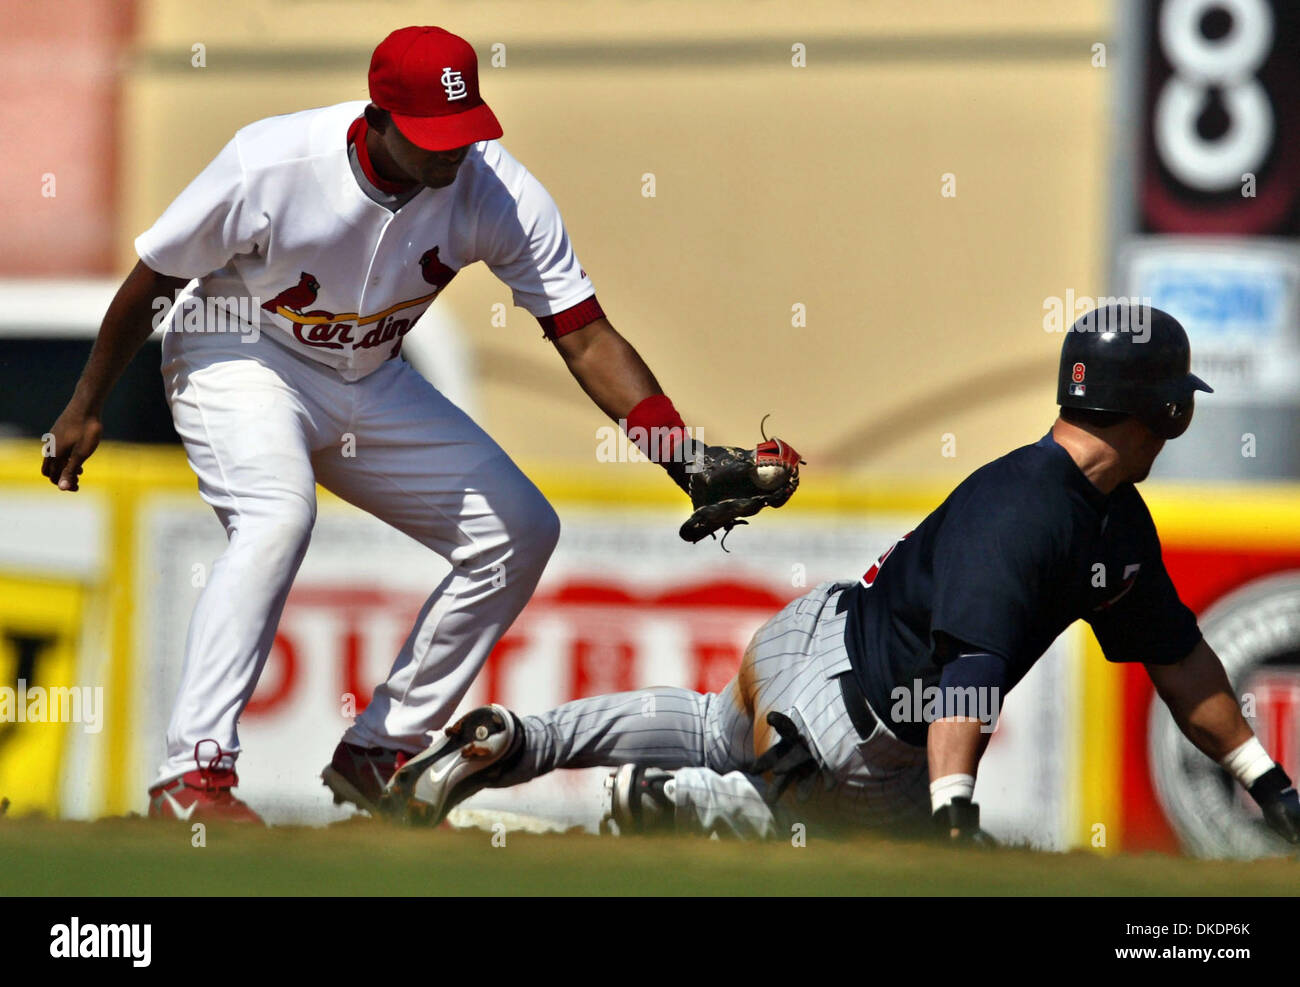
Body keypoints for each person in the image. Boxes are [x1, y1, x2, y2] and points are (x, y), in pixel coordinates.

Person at [41, 26, 710, 822]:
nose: (451, 154)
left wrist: (683, 455)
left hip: (368, 373)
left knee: (520, 528)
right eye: (432, 138)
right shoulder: (274, 162)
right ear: (378, 116)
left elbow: (586, 335)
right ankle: (192, 776)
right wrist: (88, 402)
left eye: (465, 133)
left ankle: (380, 747)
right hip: (237, 351)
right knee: (277, 513)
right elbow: (158, 275)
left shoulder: (494, 188)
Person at [385, 304, 1300, 846]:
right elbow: (968, 678)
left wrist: (1272, 786)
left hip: (816, 641)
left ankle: (522, 739)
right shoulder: (1028, 509)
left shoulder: (1101, 515)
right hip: (855, 727)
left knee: (714, 721)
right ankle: (676, 801)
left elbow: (1182, 661)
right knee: (852, 852)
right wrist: (953, 816)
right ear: (1164, 410)